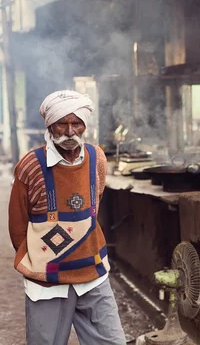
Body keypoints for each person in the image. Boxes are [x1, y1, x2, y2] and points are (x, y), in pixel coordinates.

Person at [8, 90, 125, 345]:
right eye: (63, 123)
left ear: (85, 125)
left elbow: (94, 205)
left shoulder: (97, 158)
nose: (70, 131)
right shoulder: (30, 165)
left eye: (77, 123)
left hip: (93, 274)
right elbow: (17, 226)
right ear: (50, 125)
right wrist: (41, 260)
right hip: (47, 282)